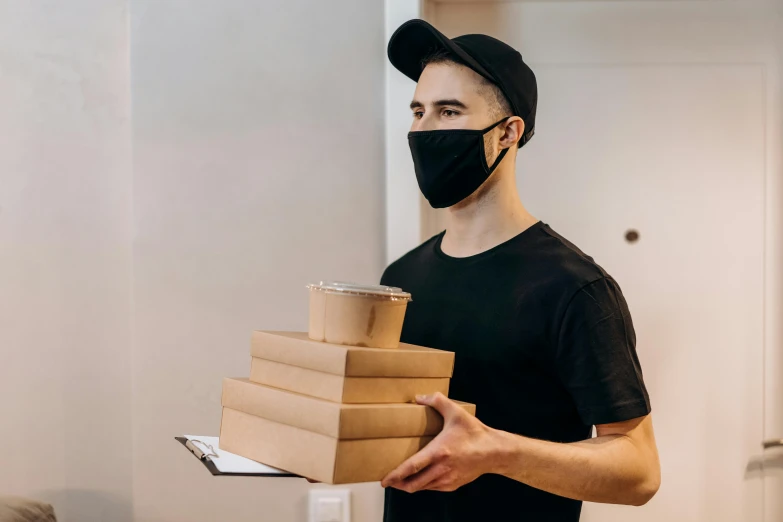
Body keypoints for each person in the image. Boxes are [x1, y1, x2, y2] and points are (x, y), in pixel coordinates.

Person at [379, 19, 661, 522]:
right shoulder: (400, 279)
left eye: (449, 111)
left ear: (508, 132)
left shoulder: (574, 288)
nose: (423, 130)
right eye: (418, 111)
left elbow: (639, 470)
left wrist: (498, 452)